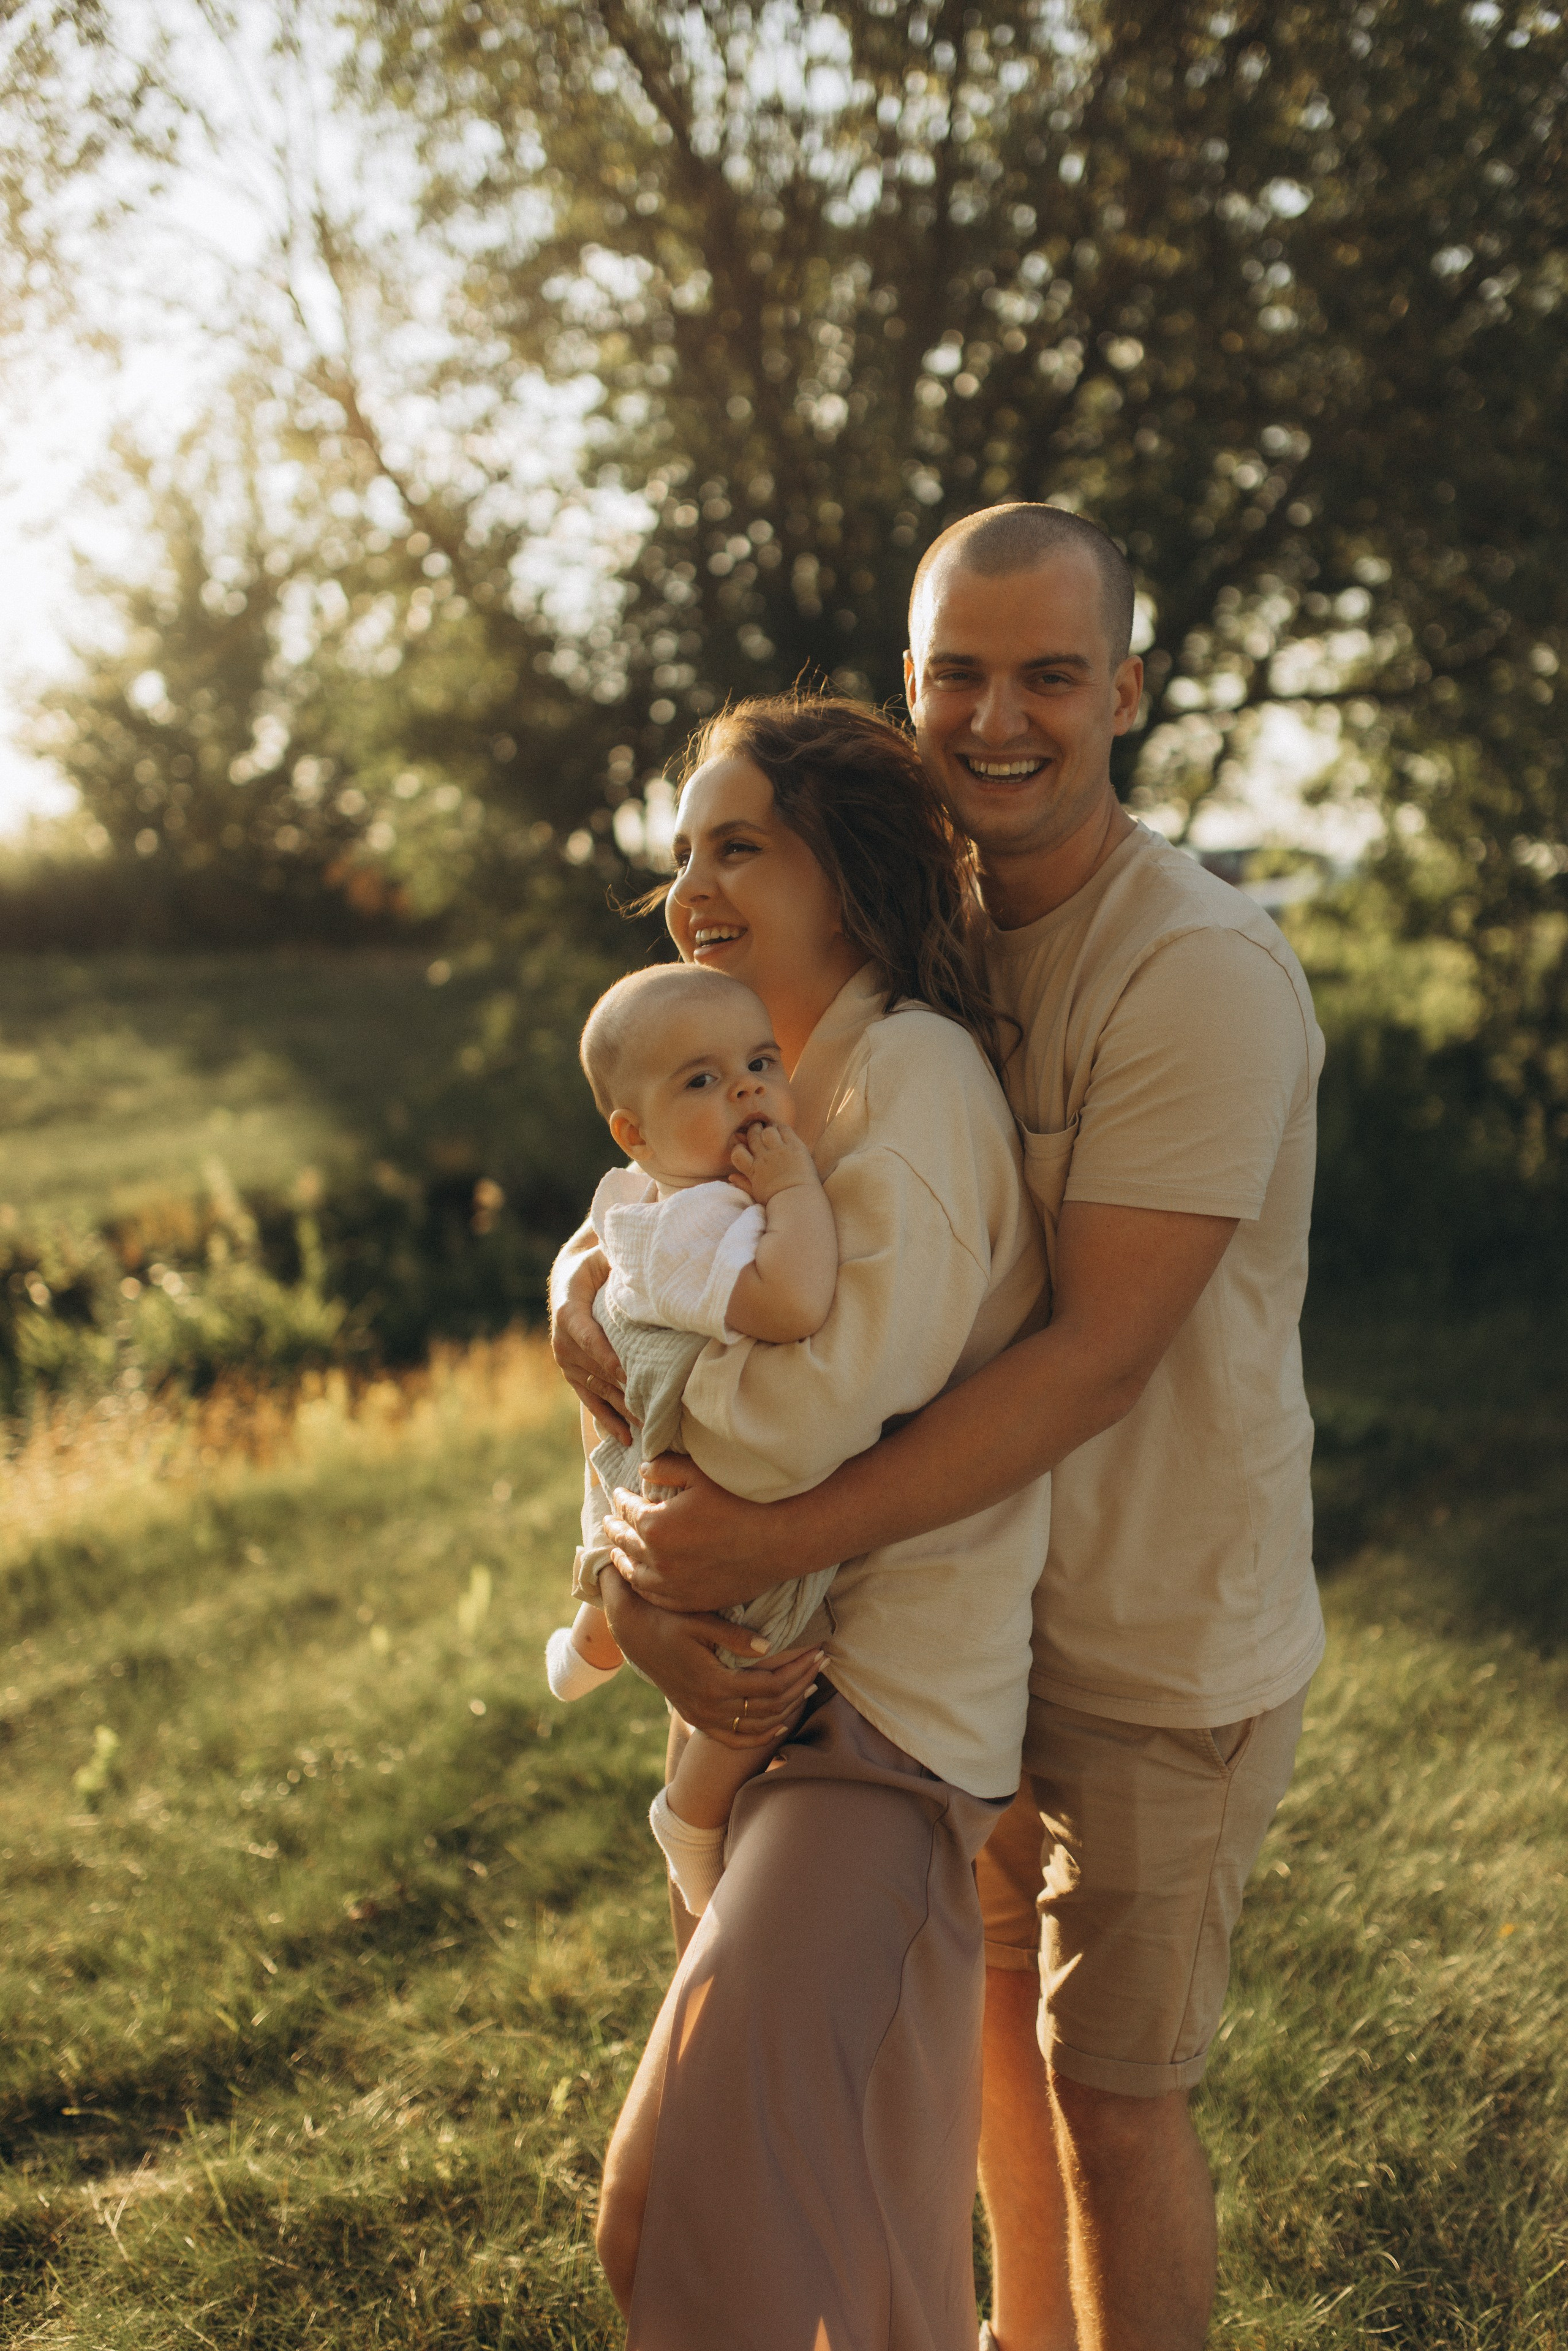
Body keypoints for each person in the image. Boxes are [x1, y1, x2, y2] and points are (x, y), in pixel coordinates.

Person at [579, 505, 1325, 2351]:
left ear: (1126, 690)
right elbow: (696, 1241)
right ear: (912, 699)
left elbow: (1090, 1363)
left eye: (1050, 672)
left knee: (1115, 2089)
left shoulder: (1195, 971)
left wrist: (723, 1541)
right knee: (971, 2065)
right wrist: (596, 1360)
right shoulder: (911, 956)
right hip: (955, 1617)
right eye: (959, 675)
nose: (1002, 714)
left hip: (1151, 1625)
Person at [551, 695, 1050, 2349]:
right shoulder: (756, 1088)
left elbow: (811, 1406)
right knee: (869, 2253)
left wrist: (619, 1379)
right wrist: (596, 1338)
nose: (693, 880)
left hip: (883, 1717)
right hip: (800, 1714)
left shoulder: (902, 1073)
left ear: (842, 869)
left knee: (693, 2218)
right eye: (684, 847)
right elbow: (633, 1288)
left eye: (737, 843)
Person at [545, 962, 842, 1919]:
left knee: (610, 1500)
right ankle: (693, 1810)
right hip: (702, 1474)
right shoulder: (699, 1221)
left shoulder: (641, 1193)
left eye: (761, 1061)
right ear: (635, 1130)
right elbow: (792, 1300)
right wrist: (796, 1190)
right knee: (777, 1654)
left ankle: (590, 1638)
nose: (750, 1088)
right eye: (703, 1081)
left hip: (656, 1452)